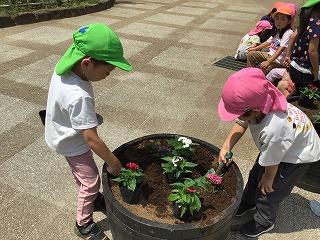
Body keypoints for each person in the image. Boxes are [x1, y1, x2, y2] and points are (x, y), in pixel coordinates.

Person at [44, 23, 132, 239]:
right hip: (73, 143)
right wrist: (114, 162)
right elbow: (91, 139)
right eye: (107, 71)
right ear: (87, 63)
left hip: (59, 132)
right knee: (91, 180)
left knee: (83, 176)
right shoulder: (78, 97)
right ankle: (83, 223)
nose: (108, 75)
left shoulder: (67, 65)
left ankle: (91, 197)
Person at [217, 67, 320, 238]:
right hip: (281, 146)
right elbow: (241, 123)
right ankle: (248, 202)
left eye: (238, 113)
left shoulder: (273, 128)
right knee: (256, 173)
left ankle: (264, 220)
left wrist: (269, 177)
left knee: (270, 189)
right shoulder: (262, 98)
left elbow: (273, 159)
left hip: (297, 155)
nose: (237, 117)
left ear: (254, 111)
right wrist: (227, 145)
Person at [284, 0, 320, 96]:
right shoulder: (317, 24)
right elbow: (312, 51)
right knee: (306, 97)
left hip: (295, 66)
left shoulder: (307, 19)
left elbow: (293, 36)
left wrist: (288, 56)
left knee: (299, 93)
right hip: (305, 71)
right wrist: (316, 71)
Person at [247, 4, 295, 75]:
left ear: (288, 21)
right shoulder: (277, 30)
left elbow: (281, 49)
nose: (278, 21)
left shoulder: (288, 33)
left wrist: (268, 61)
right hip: (270, 54)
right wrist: (255, 48)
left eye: (282, 19)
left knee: (265, 68)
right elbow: (268, 42)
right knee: (251, 54)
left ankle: (260, 82)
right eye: (277, 18)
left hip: (279, 61)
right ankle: (249, 74)